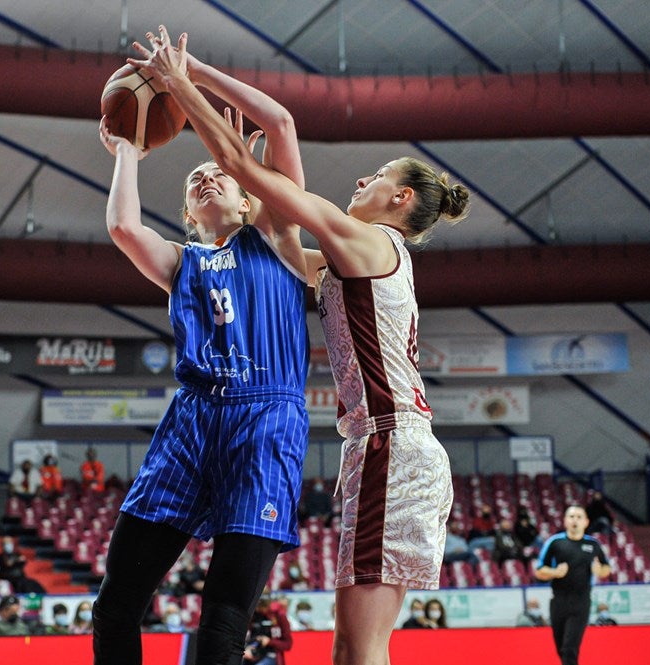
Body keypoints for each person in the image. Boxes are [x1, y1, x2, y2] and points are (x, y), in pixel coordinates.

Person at [137, 26, 470, 665]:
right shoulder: (351, 257)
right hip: (391, 446)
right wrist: (209, 98)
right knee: (358, 648)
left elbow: (253, 159)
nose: (362, 180)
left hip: (388, 443)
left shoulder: (365, 241)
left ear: (400, 199)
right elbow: (277, 232)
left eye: (377, 176)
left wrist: (187, 81)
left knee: (358, 651)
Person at [93, 29, 311, 665]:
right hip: (192, 419)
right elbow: (123, 226)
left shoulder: (274, 233)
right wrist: (129, 149)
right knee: (116, 602)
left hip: (266, 416)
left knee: (223, 619)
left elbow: (280, 122)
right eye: (194, 178)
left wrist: (190, 73)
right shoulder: (183, 261)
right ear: (189, 213)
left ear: (249, 198)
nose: (206, 177)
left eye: (219, 171)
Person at [535, 505, 612, 665]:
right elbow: (539, 570)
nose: (574, 520)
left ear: (586, 522)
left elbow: (606, 568)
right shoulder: (555, 542)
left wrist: (600, 570)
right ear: (565, 521)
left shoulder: (593, 545)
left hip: (581, 602)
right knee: (561, 648)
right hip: (558, 602)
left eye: (578, 517)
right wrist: (555, 572)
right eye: (571, 516)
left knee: (570, 648)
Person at [243, 596, 293, 665]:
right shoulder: (253, 615)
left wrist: (269, 641)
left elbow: (287, 645)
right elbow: (245, 637)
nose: (260, 610)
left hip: (271, 655)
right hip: (251, 652)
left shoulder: (279, 616)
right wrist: (246, 648)